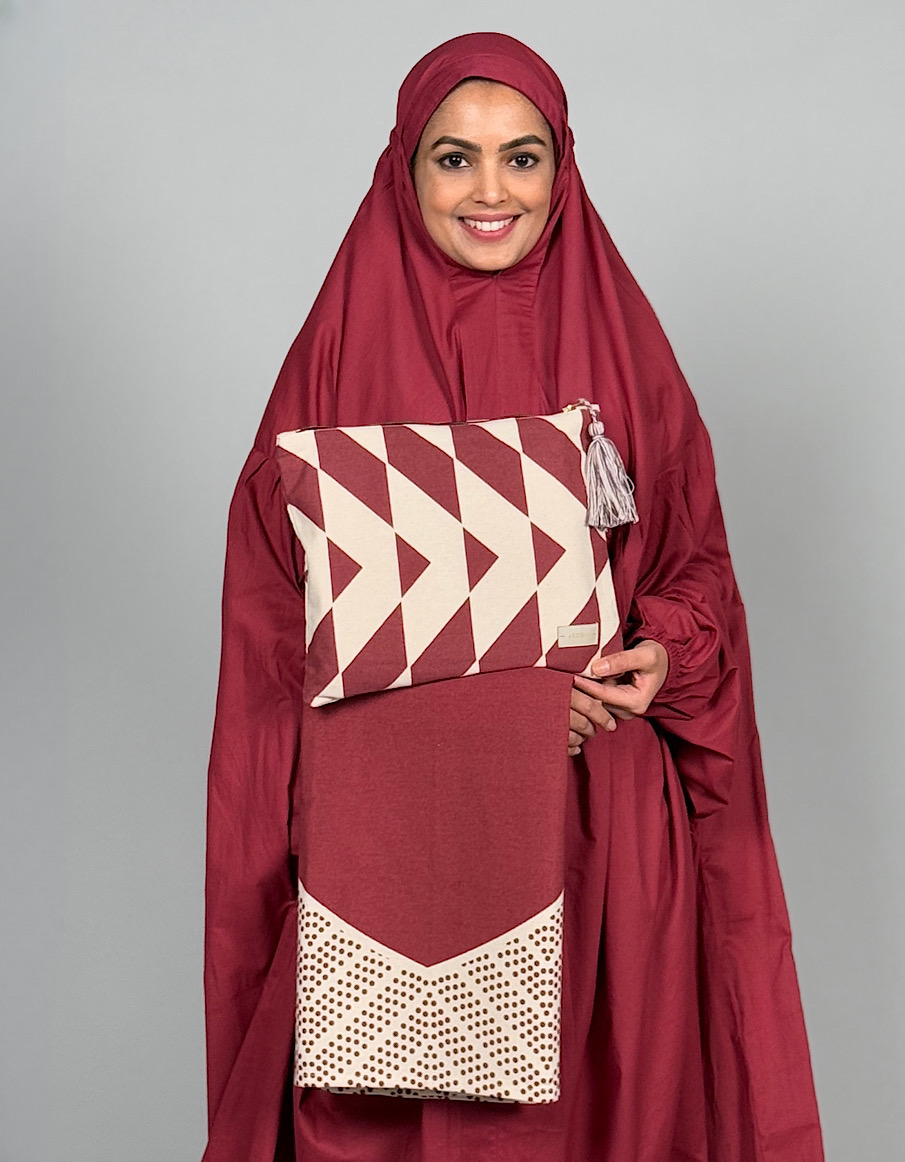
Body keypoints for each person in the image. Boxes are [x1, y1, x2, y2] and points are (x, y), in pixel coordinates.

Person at [201, 31, 825, 1162]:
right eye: (456, 158)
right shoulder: (331, 363)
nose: (491, 191)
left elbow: (695, 569)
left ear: (561, 167)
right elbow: (274, 632)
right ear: (406, 168)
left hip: (599, 849)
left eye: (522, 157)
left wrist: (663, 652)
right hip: (400, 857)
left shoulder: (629, 357)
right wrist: (500, 705)